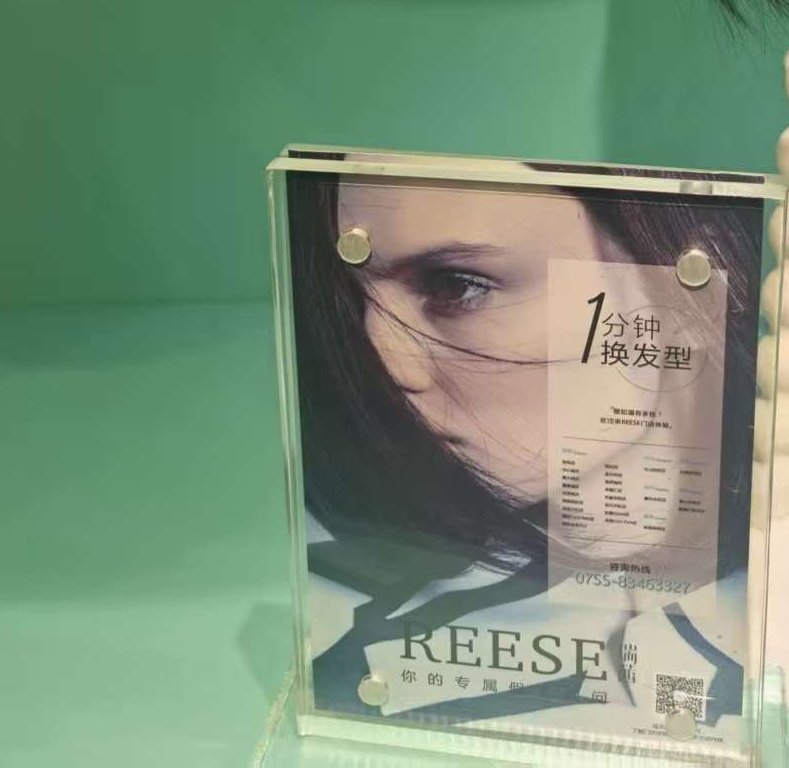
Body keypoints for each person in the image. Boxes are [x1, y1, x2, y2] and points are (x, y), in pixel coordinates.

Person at [285, 157, 764, 740]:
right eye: (351, 299)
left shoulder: (782, 607)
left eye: (457, 286)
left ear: (691, 273)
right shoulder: (339, 595)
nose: (386, 366)